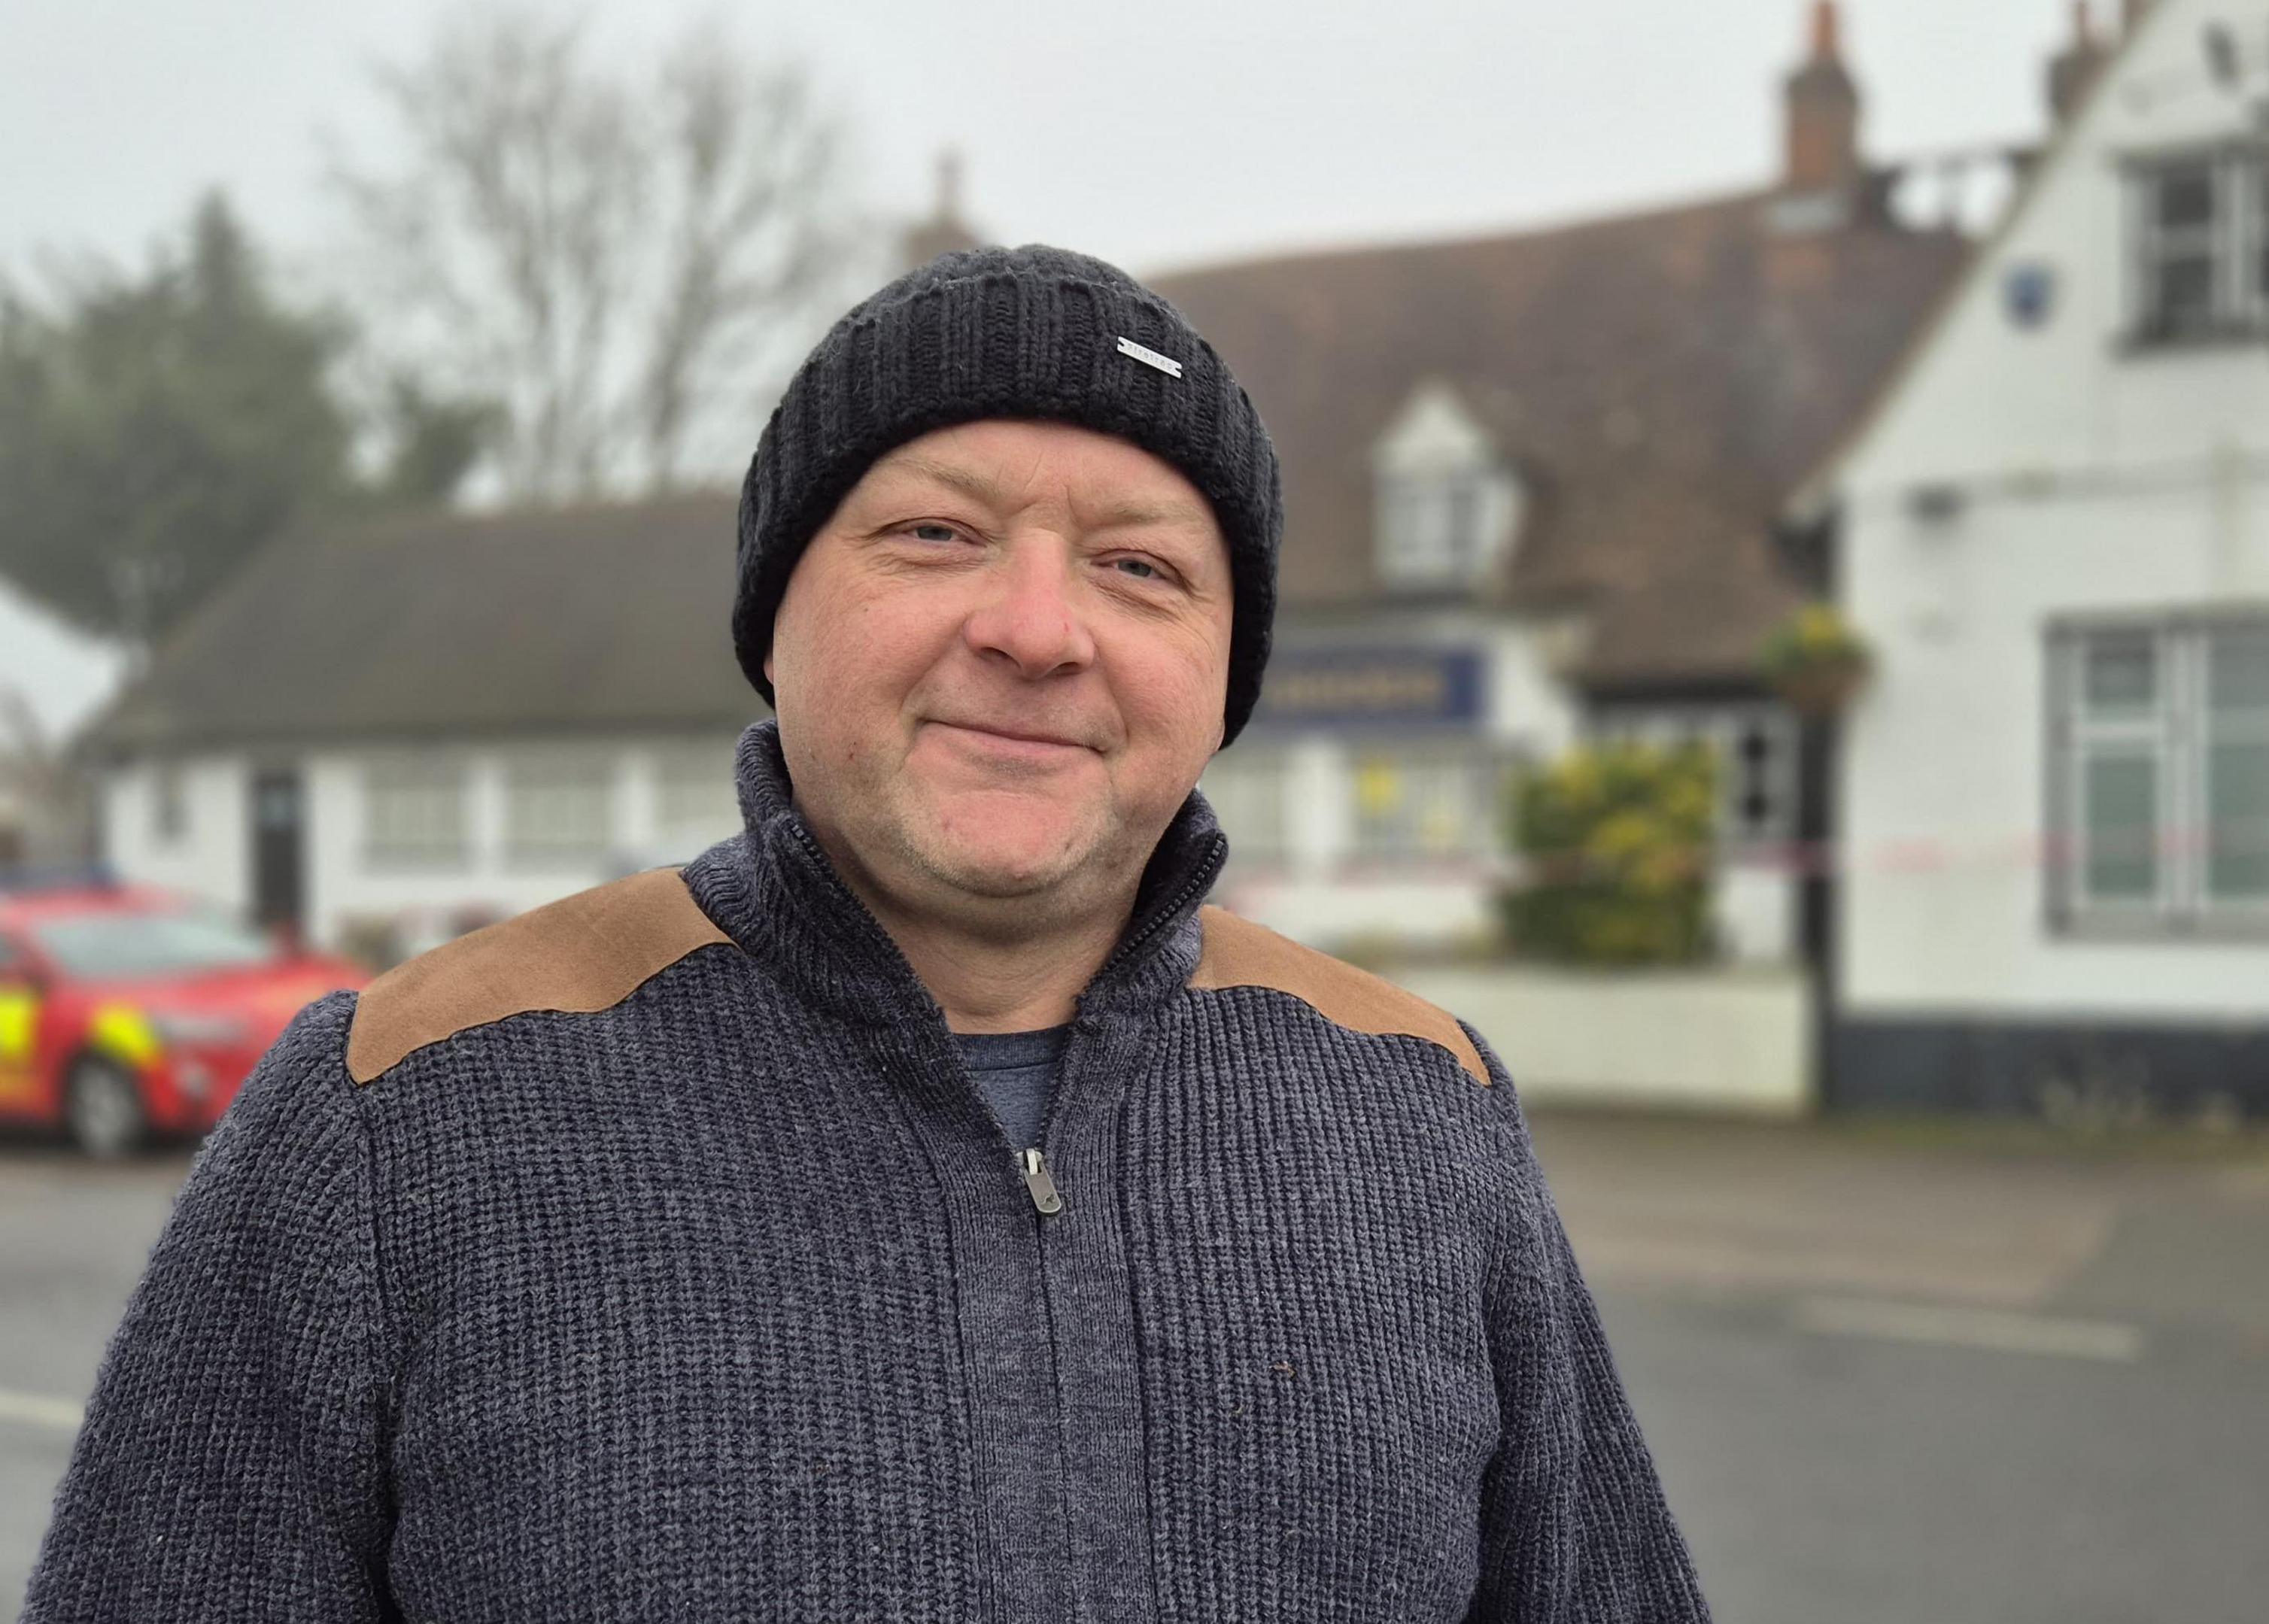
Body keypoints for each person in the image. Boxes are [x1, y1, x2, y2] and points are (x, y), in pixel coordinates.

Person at [20, 244, 1712, 1622]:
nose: (1037, 629)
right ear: (779, 615)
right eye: (935, 534)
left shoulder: (1423, 1108)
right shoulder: (396, 1111)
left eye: (1140, 567)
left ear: (1222, 676)